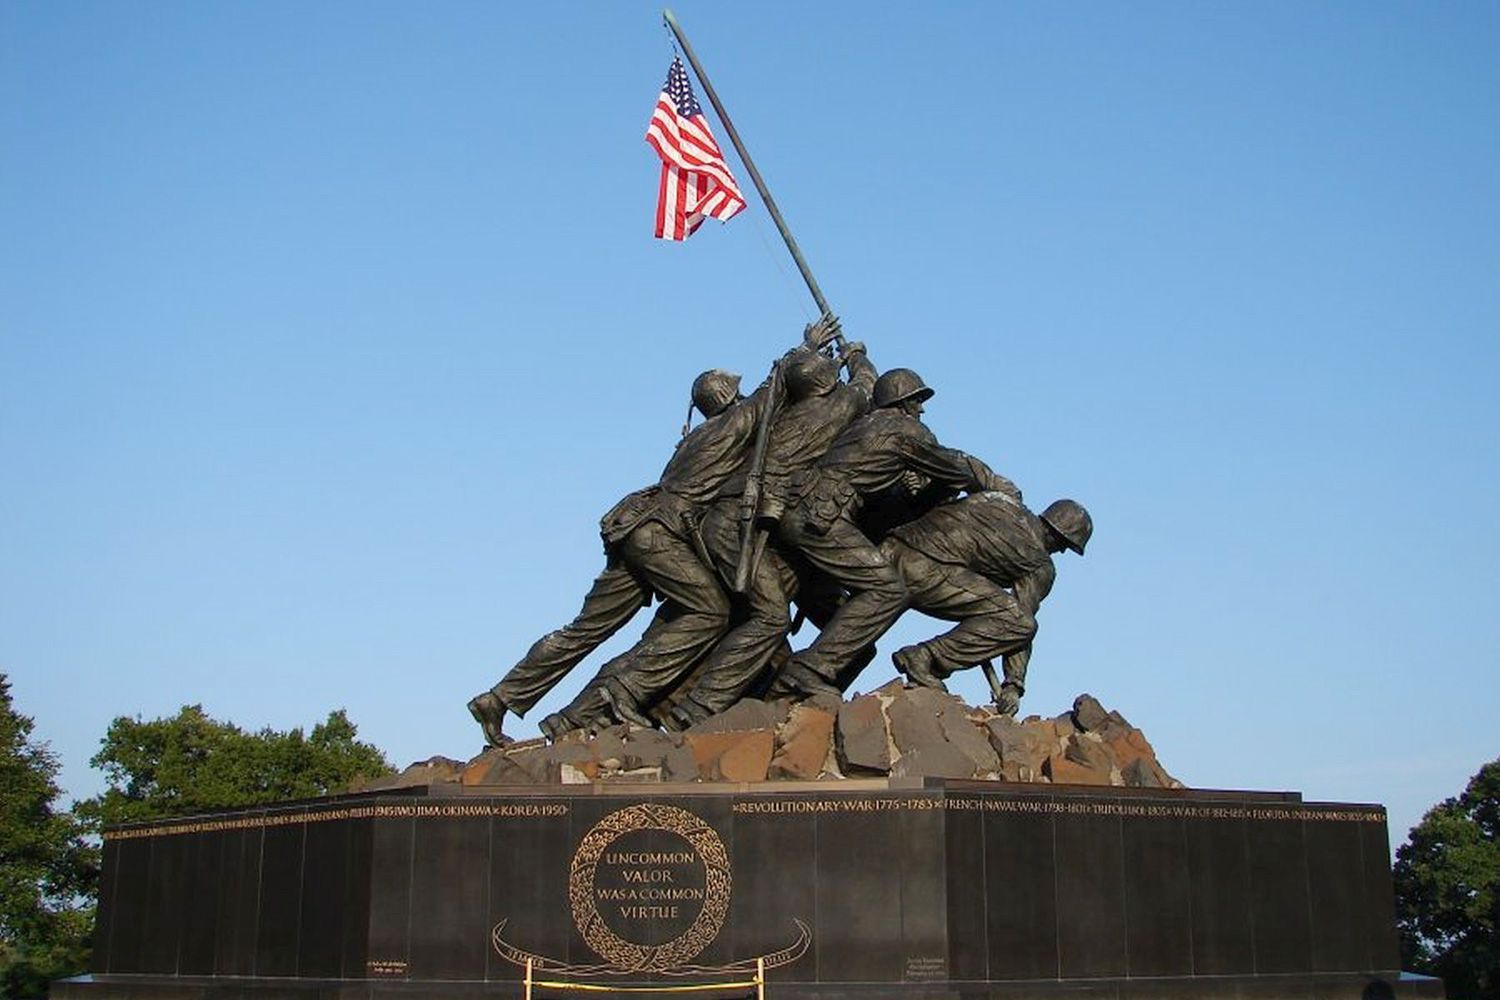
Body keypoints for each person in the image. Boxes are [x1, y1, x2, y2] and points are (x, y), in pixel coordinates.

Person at [466, 365, 770, 746]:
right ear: (728, 397)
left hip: (635, 527)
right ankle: (624, 689)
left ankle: (499, 697)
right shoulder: (730, 426)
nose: (742, 398)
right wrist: (810, 347)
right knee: (711, 612)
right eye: (736, 393)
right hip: (659, 535)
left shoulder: (695, 437)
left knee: (586, 629)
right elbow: (771, 394)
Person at [772, 368, 1019, 698]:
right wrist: (993, 486)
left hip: (805, 509)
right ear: (903, 403)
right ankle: (806, 672)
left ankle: (787, 695)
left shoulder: (867, 425)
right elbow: (953, 466)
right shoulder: (907, 429)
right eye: (918, 400)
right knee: (889, 590)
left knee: (859, 634)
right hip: (821, 515)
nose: (922, 408)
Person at [884, 494, 1091, 716]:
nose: (1060, 551)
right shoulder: (1039, 563)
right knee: (1020, 622)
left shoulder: (1001, 501)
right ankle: (925, 656)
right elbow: (1020, 622)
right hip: (926, 572)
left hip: (889, 549)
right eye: (1065, 545)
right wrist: (1013, 685)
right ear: (1055, 534)